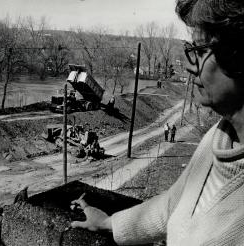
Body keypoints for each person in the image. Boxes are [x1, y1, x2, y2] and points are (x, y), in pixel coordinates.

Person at [71, 0, 244, 245]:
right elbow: (174, 203)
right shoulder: (217, 138)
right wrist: (110, 223)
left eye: (202, 51)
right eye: (190, 49)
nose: (187, 65)